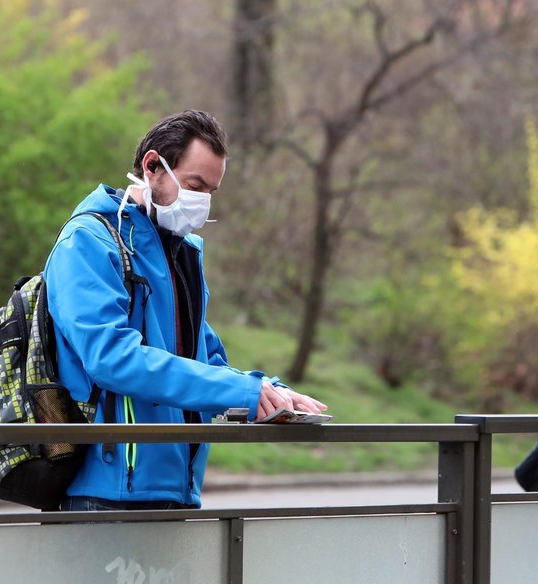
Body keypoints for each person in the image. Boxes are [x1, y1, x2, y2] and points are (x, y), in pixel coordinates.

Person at [44, 110, 327, 512]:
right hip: (107, 491)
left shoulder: (183, 251)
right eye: (195, 185)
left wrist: (268, 394)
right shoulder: (88, 241)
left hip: (176, 487)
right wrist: (241, 392)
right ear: (153, 166)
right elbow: (111, 359)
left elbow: (205, 359)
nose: (202, 202)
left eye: (212, 190)